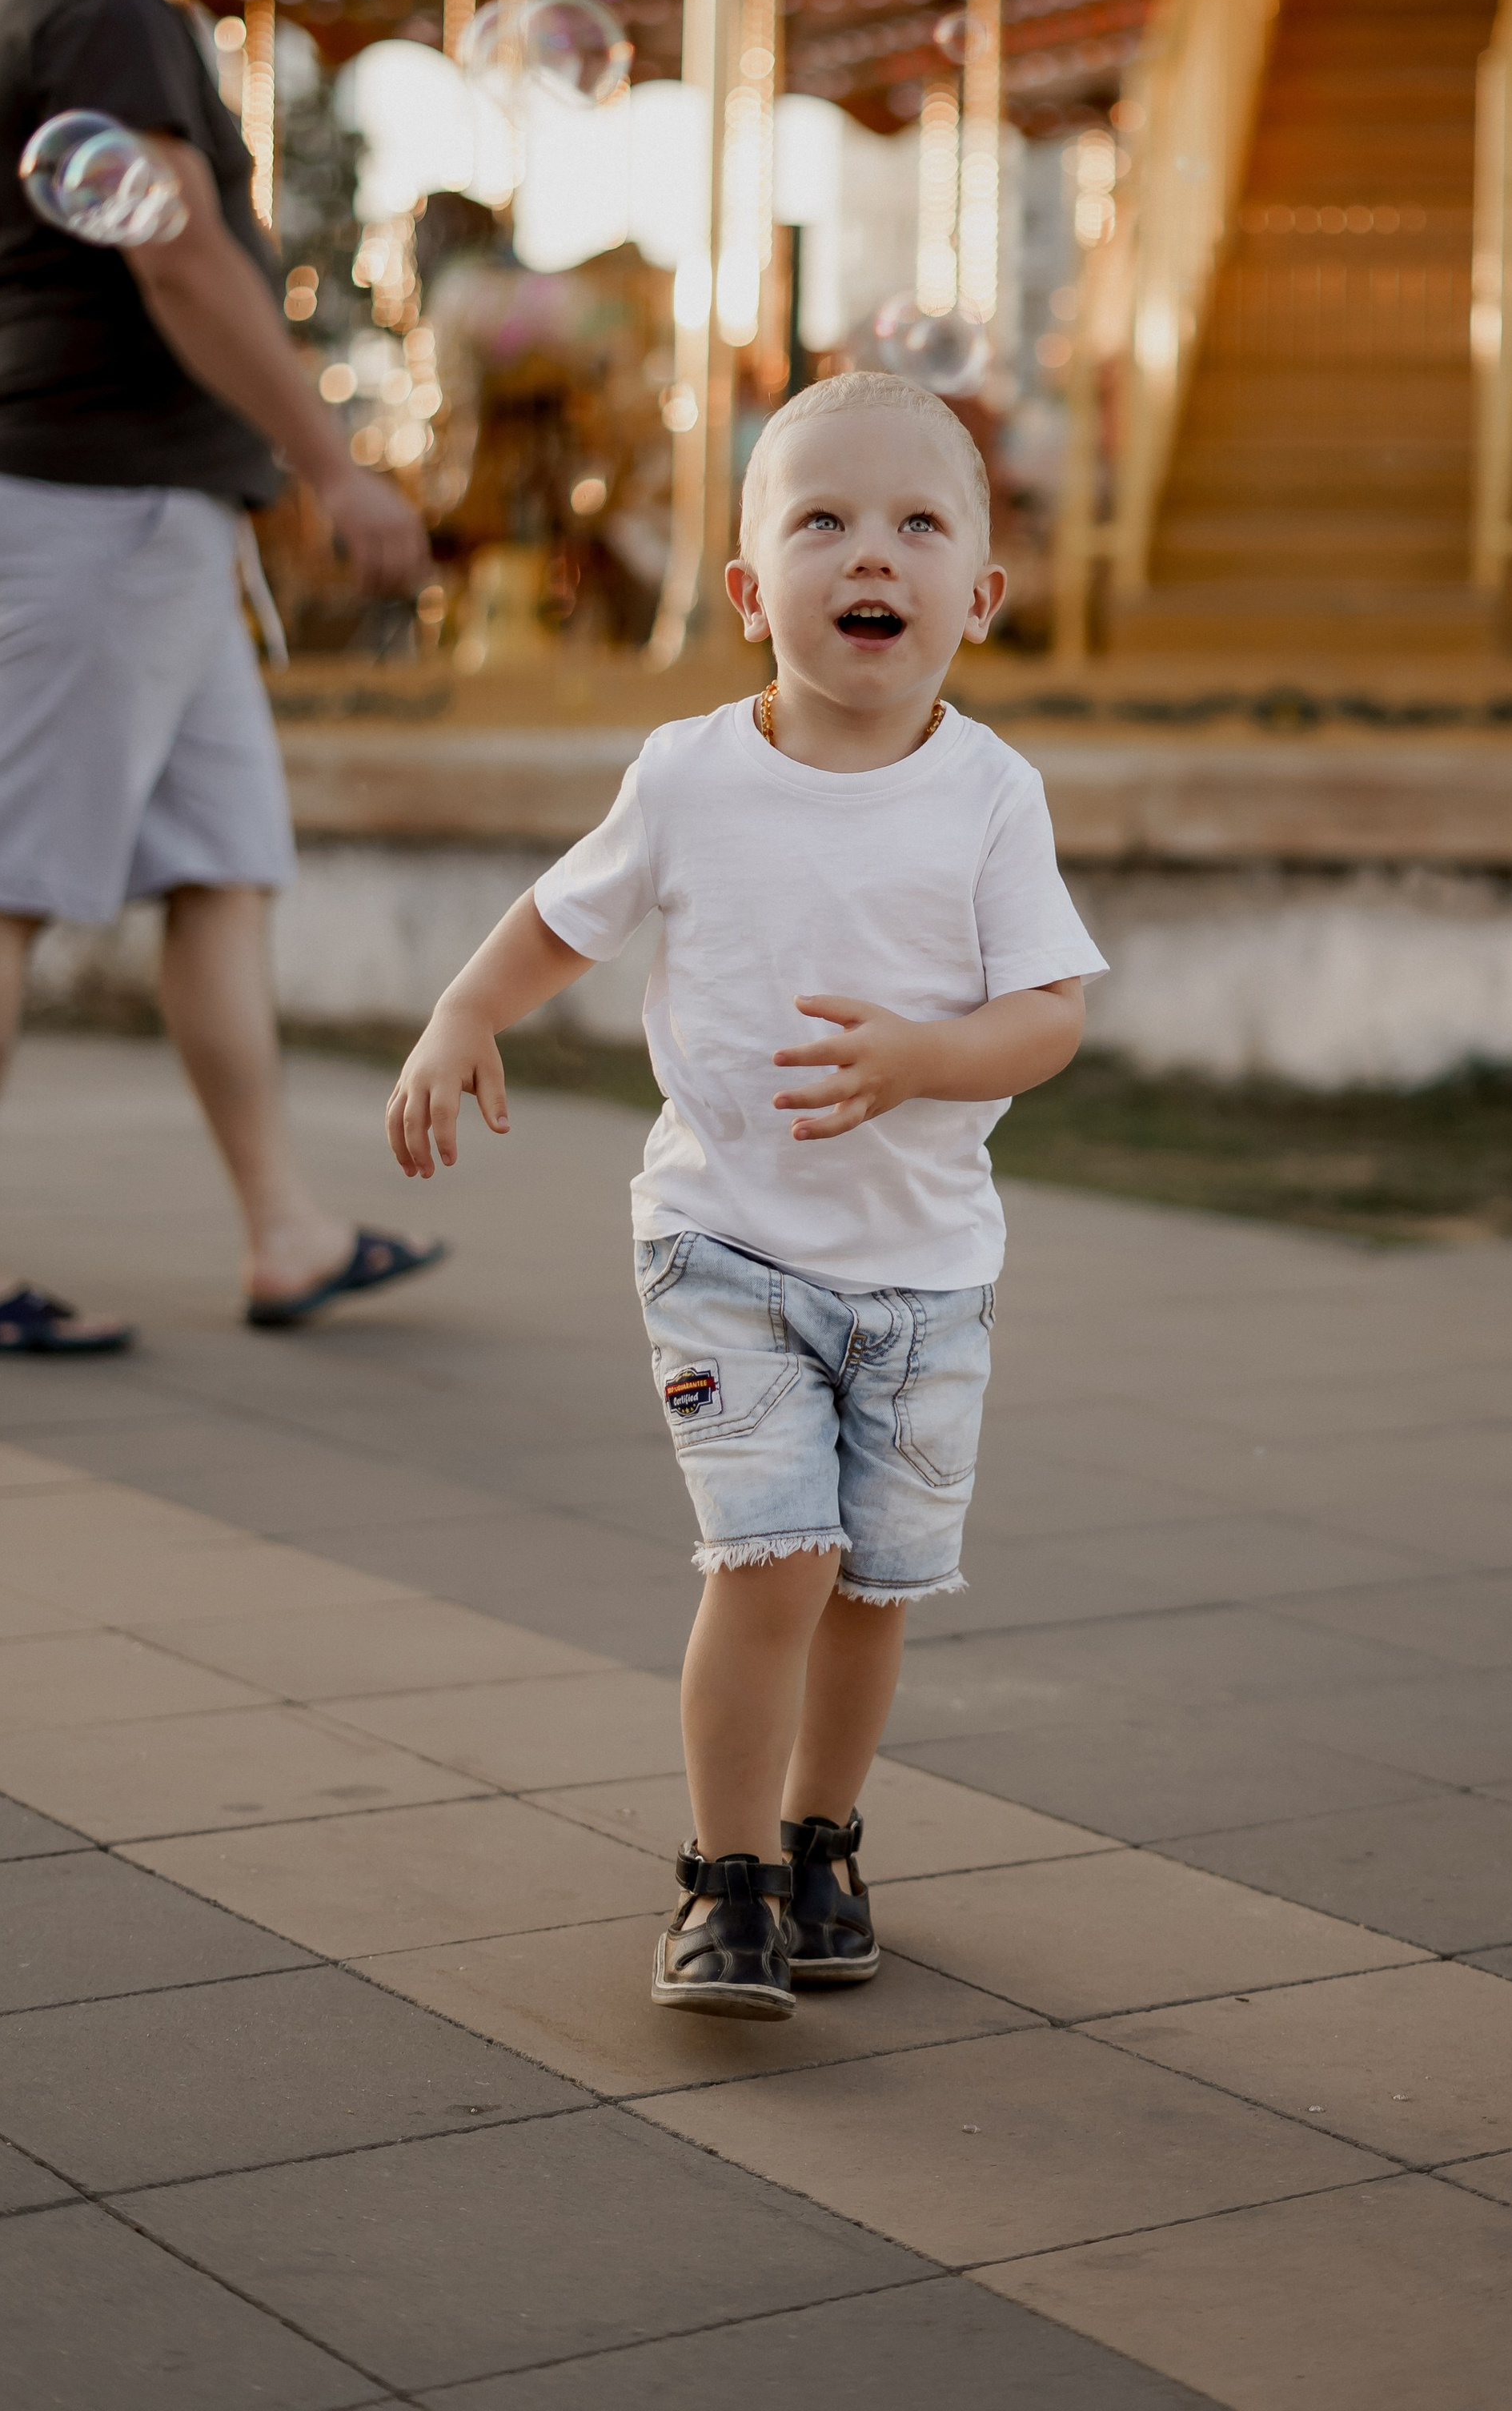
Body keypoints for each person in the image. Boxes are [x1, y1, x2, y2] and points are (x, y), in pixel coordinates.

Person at [388, 371, 1102, 2016]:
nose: (874, 555)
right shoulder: (690, 774)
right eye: (823, 523)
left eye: (919, 526)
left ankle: (821, 1835)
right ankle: (726, 1881)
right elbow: (567, 917)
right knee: (771, 1561)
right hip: (724, 1243)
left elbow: (1051, 1015)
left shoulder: (989, 793)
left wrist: (929, 1058)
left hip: (922, 1274)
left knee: (870, 1585)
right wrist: (463, 1014)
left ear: (977, 597)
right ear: (747, 589)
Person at [0, 0, 440, 1352]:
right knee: (1, 883)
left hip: (111, 509)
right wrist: (332, 463)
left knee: (223, 866)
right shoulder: (111, 13)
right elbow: (180, 254)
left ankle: (283, 1229)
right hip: (104, 505)